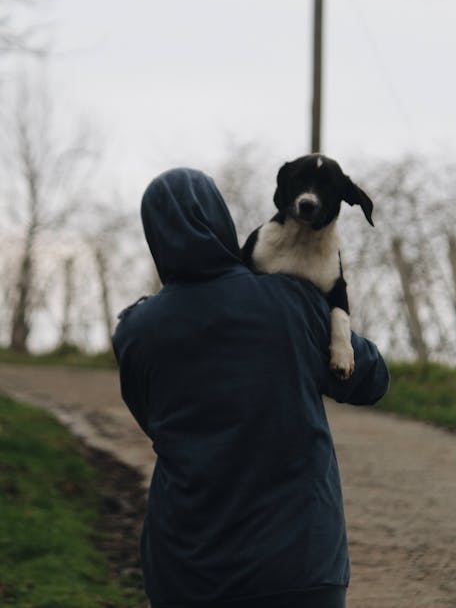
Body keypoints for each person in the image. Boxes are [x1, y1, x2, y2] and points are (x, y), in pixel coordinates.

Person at [112, 168, 389, 608]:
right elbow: (371, 379)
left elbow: (152, 421)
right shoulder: (293, 300)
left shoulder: (135, 331)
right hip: (302, 563)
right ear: (221, 222)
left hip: (188, 568)